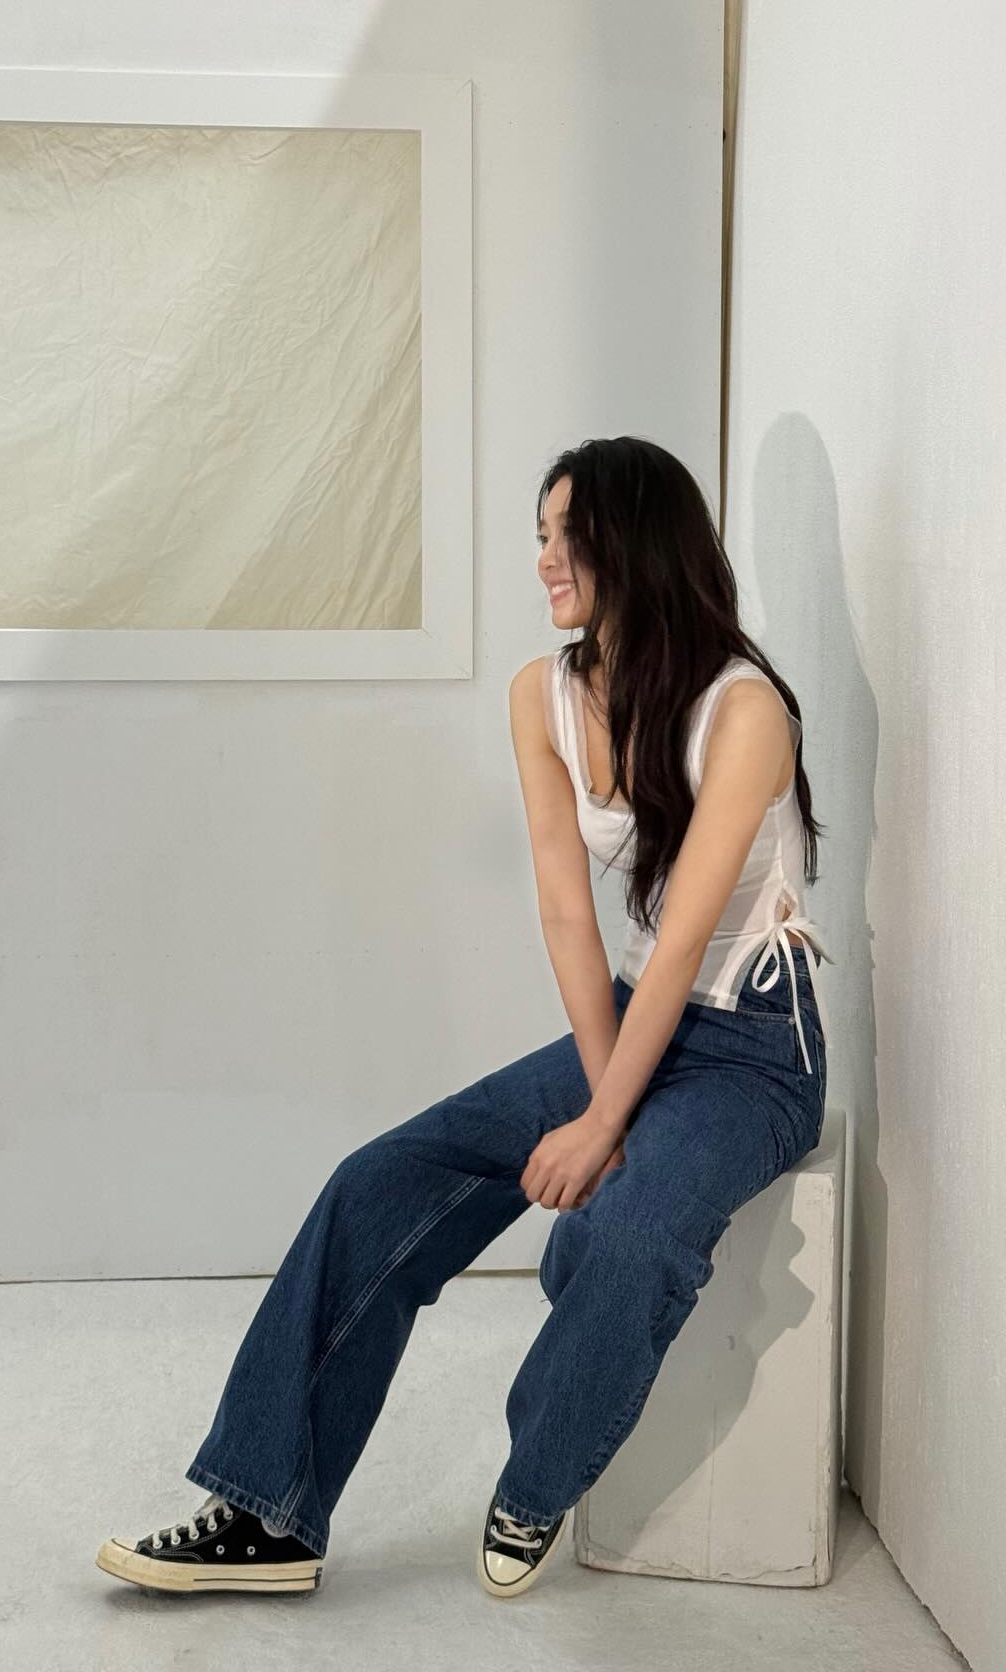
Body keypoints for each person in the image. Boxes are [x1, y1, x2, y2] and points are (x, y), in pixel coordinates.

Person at [95, 435, 831, 1601]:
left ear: (637, 542)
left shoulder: (744, 711)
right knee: (377, 1182)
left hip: (752, 1049)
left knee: (628, 1236)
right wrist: (602, 1101)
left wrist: (605, 1127)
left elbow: (689, 939)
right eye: (539, 536)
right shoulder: (544, 695)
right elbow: (567, 912)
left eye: (567, 536)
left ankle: (537, 1481)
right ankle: (269, 1513)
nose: (544, 560)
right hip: (632, 1018)